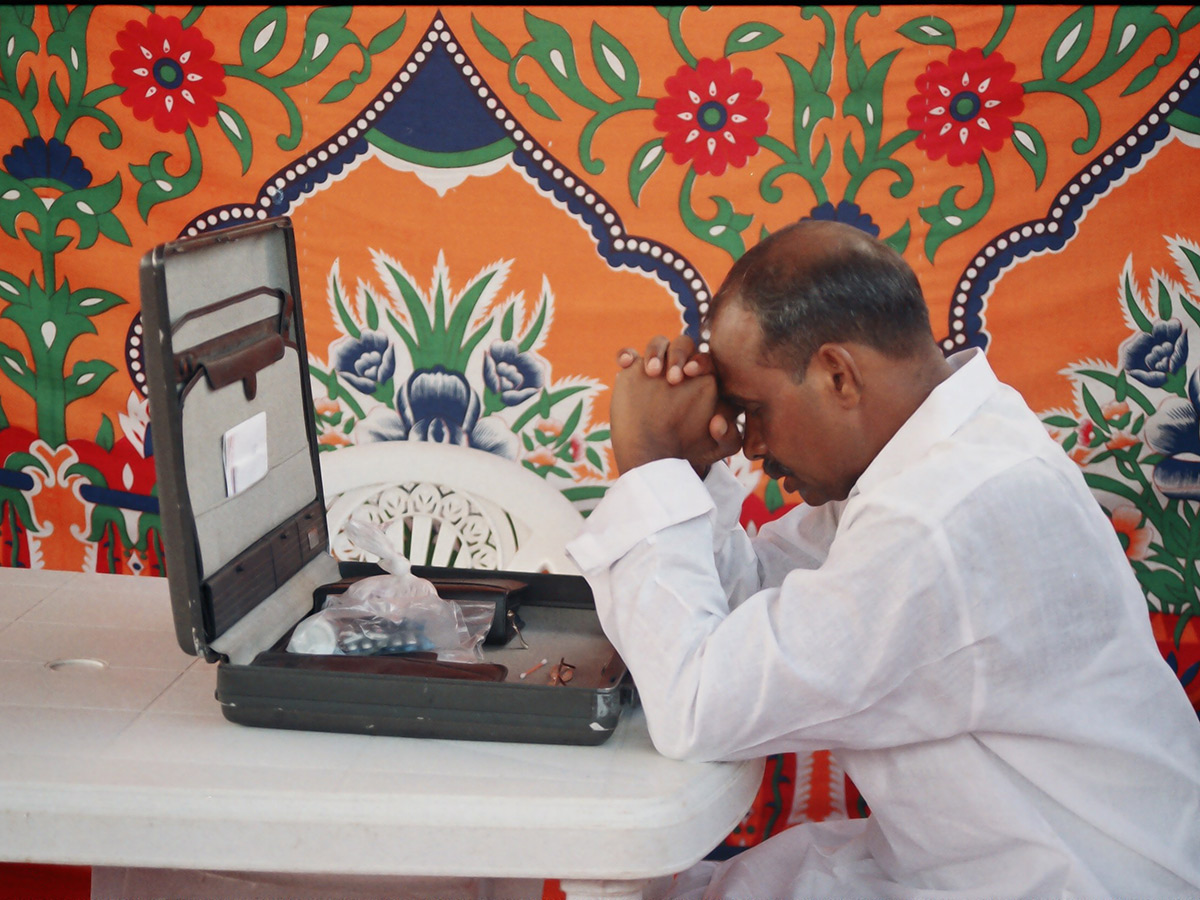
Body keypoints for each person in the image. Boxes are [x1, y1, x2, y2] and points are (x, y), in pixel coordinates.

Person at [564, 219, 1200, 899]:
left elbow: (698, 707)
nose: (749, 445)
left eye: (753, 408)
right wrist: (688, 470)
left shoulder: (939, 518)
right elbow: (751, 602)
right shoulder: (936, 458)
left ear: (839, 375)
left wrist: (647, 464)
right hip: (975, 863)